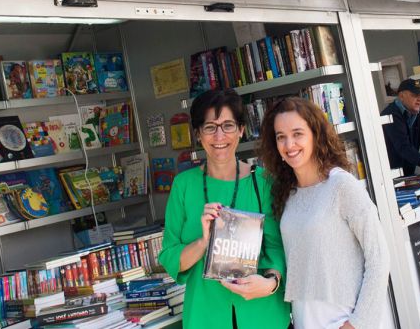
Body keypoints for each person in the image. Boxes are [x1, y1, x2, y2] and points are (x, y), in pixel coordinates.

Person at [158, 89, 290, 329]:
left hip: (263, 314)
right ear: (198, 134)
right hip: (205, 317)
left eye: (228, 125)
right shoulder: (184, 185)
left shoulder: (264, 182)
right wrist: (202, 243)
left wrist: (271, 282)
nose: (219, 136)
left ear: (241, 130)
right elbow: (169, 256)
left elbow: (278, 246)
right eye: (210, 127)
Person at [258, 97, 390, 329]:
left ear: (315, 135)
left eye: (297, 133)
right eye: (281, 137)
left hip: (344, 319)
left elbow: (379, 258)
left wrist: (357, 324)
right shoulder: (287, 194)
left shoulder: (342, 185)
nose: (289, 145)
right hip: (304, 320)